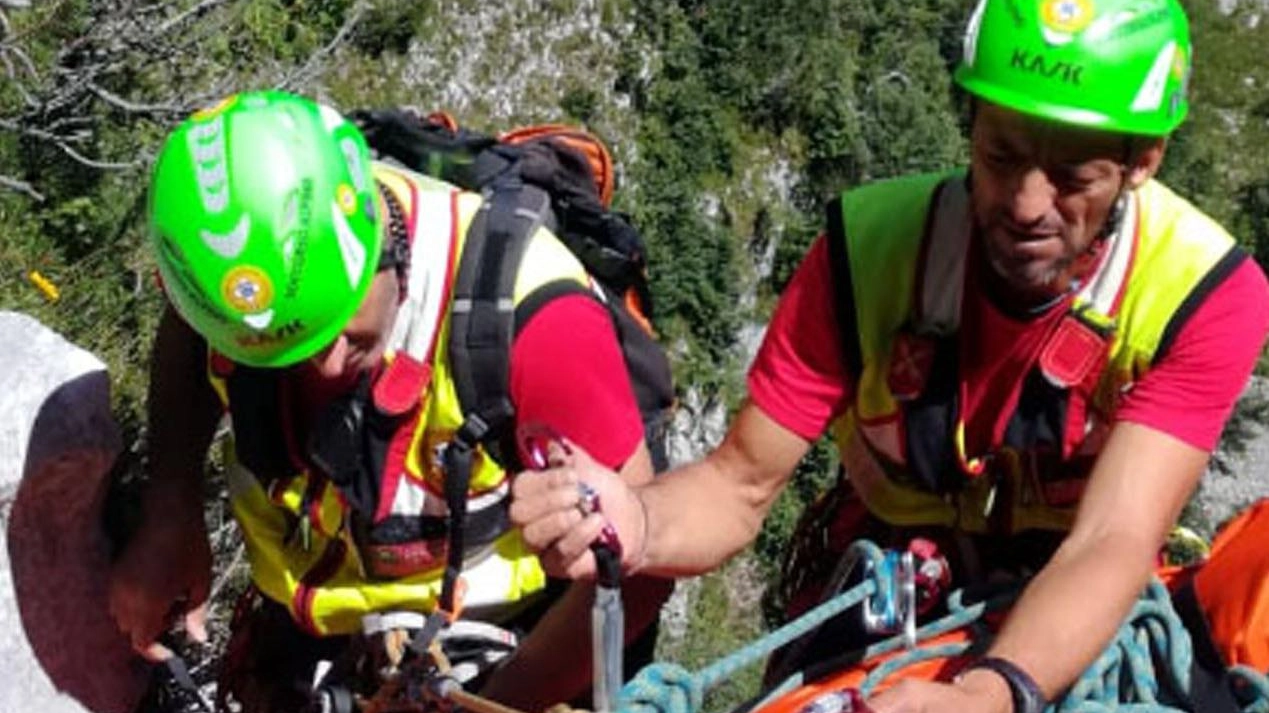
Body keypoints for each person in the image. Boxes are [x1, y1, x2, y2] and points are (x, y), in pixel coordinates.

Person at [511, 0, 1269, 711]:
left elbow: (1112, 537)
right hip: (893, 566)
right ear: (968, 122)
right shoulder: (868, 249)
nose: (1026, 203)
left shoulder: (1203, 293)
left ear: (1142, 161)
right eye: (1001, 155)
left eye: (1072, 177)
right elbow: (737, 484)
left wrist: (985, 692)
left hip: (1073, 576)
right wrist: (637, 518)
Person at [107, 90, 671, 713]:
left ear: (382, 243)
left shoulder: (533, 319)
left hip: (493, 644)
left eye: (339, 327)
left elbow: (641, 568)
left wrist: (504, 700)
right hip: (309, 627)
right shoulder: (245, 289)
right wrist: (170, 508)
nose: (323, 365)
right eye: (283, 351)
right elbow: (190, 336)